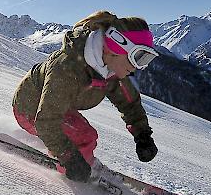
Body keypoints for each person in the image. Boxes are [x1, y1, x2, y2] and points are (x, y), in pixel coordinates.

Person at [11, 11, 159, 182]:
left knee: (85, 135)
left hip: (56, 106)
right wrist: (69, 158)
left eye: (145, 59)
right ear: (116, 46)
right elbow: (47, 121)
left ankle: (83, 160)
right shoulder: (67, 69)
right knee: (85, 136)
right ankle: (76, 170)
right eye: (137, 57)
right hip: (29, 108)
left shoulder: (110, 69)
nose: (137, 68)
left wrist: (142, 135)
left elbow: (129, 103)